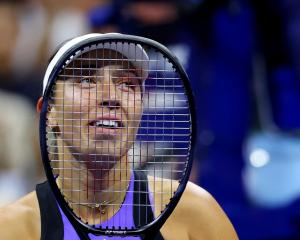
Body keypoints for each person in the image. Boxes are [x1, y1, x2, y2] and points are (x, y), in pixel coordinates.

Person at [0, 34, 238, 240]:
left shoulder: (196, 213)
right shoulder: (11, 229)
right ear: (49, 112)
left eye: (127, 84)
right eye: (86, 80)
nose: (110, 97)